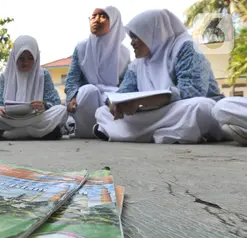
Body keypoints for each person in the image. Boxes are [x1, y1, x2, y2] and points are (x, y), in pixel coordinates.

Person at [93, 9, 224, 144]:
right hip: (157, 113)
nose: (132, 42)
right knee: (103, 112)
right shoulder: (137, 64)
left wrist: (141, 102)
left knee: (201, 107)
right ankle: (166, 133)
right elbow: (123, 92)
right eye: (131, 38)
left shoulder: (185, 48)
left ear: (155, 33)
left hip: (180, 108)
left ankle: (127, 133)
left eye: (137, 36)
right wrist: (115, 104)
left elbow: (192, 92)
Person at [0, 35, 67, 141]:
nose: (25, 62)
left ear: (36, 58)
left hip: (35, 118)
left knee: (62, 110)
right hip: (9, 120)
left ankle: (7, 134)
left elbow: (55, 102)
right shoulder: (5, 76)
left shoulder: (43, 75)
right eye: (21, 58)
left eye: (30, 58)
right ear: (14, 56)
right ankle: (34, 133)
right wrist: (0, 110)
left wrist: (44, 105)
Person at [64, 6, 130, 138]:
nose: (96, 20)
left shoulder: (123, 53)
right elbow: (72, 78)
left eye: (103, 16)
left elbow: (126, 84)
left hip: (110, 97)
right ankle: (87, 131)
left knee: (116, 96)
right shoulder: (82, 47)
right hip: (87, 97)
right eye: (93, 16)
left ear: (114, 22)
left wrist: (118, 99)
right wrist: (72, 98)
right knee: (90, 91)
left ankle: (106, 130)